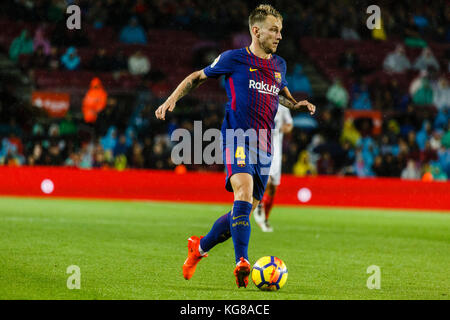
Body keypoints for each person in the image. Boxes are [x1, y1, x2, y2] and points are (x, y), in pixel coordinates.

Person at [155, 4, 316, 288]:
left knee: (242, 211)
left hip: (266, 144)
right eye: (274, 30)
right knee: (242, 193)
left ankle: (199, 248)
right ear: (256, 30)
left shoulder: (279, 65)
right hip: (237, 137)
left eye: (281, 31)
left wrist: (296, 104)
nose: (279, 36)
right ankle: (241, 261)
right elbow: (196, 77)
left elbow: (281, 94)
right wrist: (171, 100)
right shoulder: (234, 59)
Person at [253, 104, 293, 232]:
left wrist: (283, 128)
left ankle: (265, 217)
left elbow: (289, 125)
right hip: (263, 148)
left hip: (277, 152)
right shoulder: (261, 103)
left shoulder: (283, 107)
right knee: (267, 182)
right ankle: (258, 207)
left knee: (273, 187)